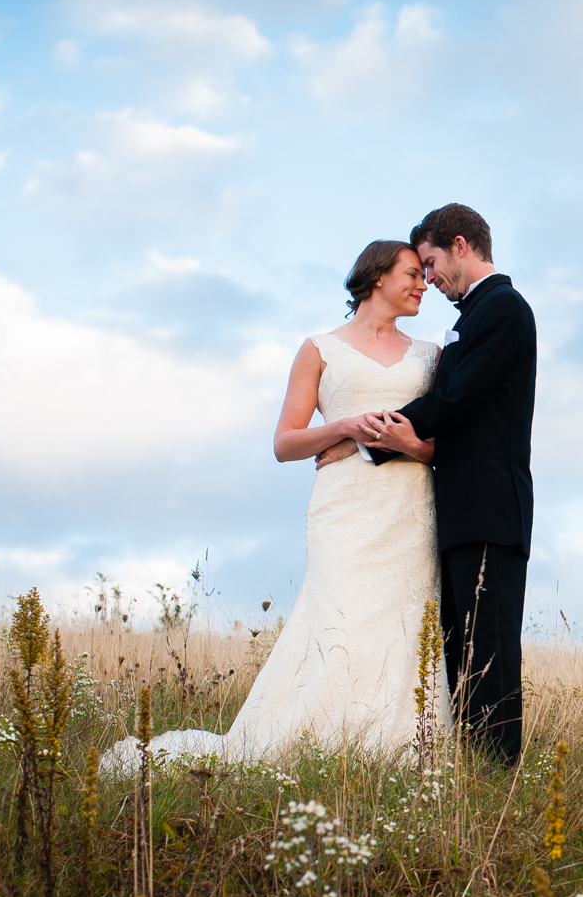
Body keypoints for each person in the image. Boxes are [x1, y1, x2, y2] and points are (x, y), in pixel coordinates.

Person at [105, 240, 449, 774]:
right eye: (412, 273)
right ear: (377, 276)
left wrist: (400, 445)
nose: (423, 284)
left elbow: (442, 441)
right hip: (345, 508)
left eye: (425, 276)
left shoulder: (432, 355)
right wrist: (343, 427)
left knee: (407, 620)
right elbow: (285, 443)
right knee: (339, 614)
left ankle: (399, 747)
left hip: (410, 503)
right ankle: (321, 739)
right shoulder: (320, 348)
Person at [348, 203, 536, 766]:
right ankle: (475, 768)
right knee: (461, 650)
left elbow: (453, 401)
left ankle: (497, 779)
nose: (428, 278)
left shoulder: (503, 309)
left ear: (460, 245)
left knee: (492, 652)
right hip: (460, 510)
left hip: (490, 509)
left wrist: (365, 437)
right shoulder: (475, 314)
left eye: (430, 263)